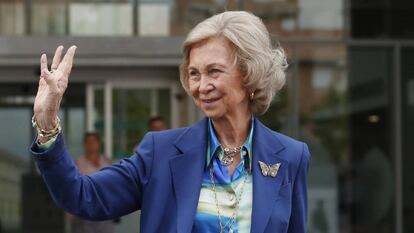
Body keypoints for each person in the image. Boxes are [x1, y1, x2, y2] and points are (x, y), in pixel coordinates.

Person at [30, 11, 310, 233]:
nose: (201, 86)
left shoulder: (291, 157)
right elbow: (82, 196)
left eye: (214, 71)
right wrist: (46, 126)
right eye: (194, 74)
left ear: (249, 75)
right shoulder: (160, 152)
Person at [70, 132, 113, 233]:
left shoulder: (106, 162)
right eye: (89, 142)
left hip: (104, 209)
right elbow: (73, 188)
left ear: (99, 143)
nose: (92, 144)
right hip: (86, 210)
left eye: (94, 141)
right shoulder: (78, 163)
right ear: (85, 144)